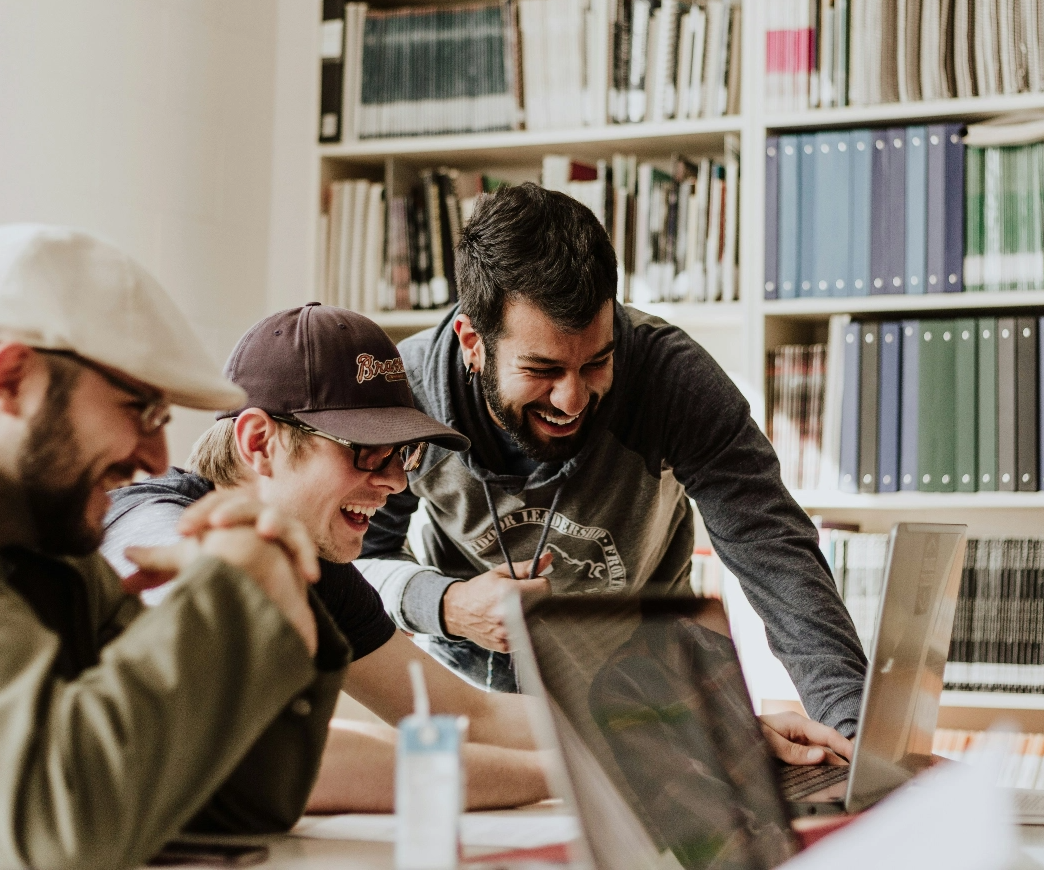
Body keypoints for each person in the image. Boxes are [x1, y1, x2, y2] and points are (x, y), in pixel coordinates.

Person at [358, 182, 869, 754]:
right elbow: (359, 562)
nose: (572, 399)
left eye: (596, 362)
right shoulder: (405, 394)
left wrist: (855, 737)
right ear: (473, 341)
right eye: (542, 370)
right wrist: (447, 605)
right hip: (476, 705)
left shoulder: (672, 378)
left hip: (647, 692)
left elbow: (774, 550)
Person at [102, 303, 551, 812]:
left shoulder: (315, 565)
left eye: (402, 454)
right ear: (258, 443)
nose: (397, 482)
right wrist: (566, 777)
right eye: (366, 450)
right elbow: (272, 756)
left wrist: (628, 737)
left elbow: (466, 715)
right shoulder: (153, 528)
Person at [0, 223, 347, 870]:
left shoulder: (58, 558)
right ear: (12, 380)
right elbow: (57, 836)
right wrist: (235, 590)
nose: (157, 457)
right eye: (139, 408)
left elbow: (234, 802)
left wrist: (272, 588)